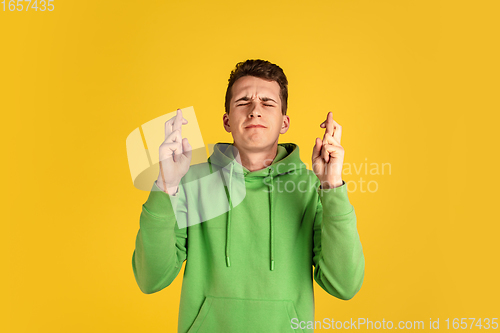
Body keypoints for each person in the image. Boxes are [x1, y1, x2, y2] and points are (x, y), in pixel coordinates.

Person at [132, 59, 365, 333]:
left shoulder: (313, 187)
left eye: (268, 103)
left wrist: (333, 186)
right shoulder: (192, 182)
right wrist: (166, 185)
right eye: (243, 102)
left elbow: (344, 285)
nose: (255, 111)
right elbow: (150, 279)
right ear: (227, 121)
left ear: (284, 122)